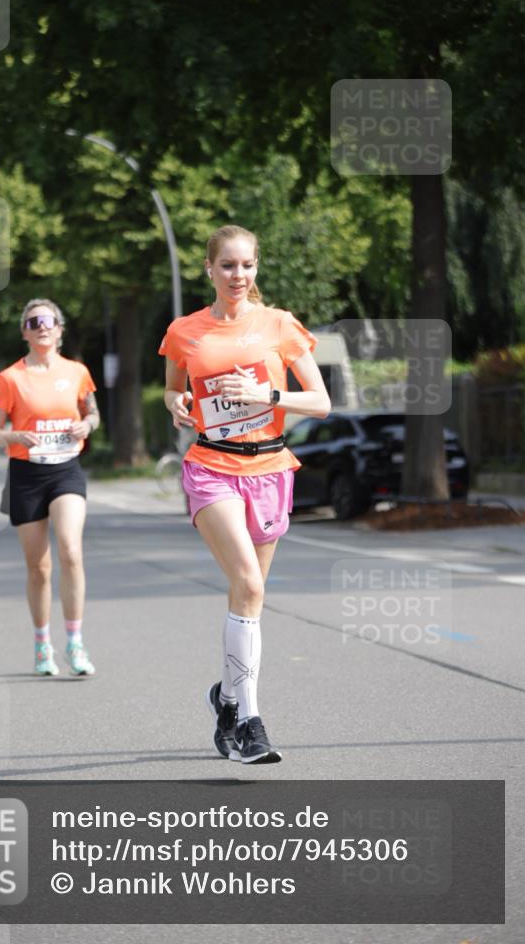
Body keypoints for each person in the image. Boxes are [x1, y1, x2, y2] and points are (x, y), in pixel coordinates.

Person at [159, 225, 331, 764]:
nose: (239, 275)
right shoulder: (186, 331)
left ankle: (226, 699)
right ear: (208, 269)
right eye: (228, 265)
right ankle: (253, 722)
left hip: (272, 467)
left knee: (248, 598)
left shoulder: (279, 326)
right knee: (249, 582)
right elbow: (172, 386)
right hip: (212, 466)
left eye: (247, 265)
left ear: (257, 268)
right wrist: (175, 403)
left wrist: (268, 394)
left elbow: (322, 402)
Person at [0, 299, 100, 677]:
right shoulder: (11, 378)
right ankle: (41, 644)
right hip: (26, 473)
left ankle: (75, 643)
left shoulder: (77, 371)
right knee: (39, 567)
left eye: (49, 320)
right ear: (25, 331)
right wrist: (14, 435)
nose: (42, 326)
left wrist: (88, 426)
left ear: (60, 329)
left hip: (66, 469)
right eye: (34, 321)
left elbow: (92, 412)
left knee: (70, 549)